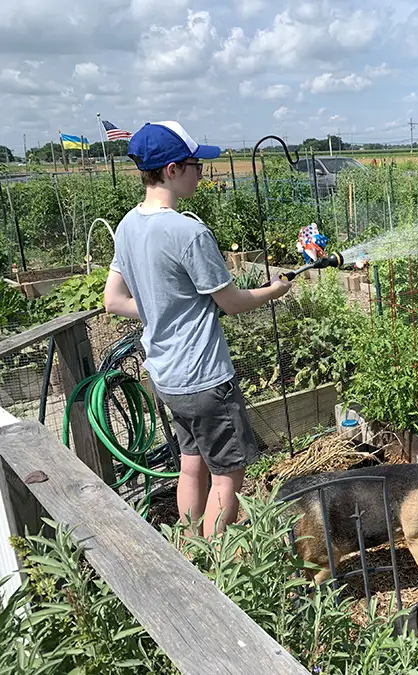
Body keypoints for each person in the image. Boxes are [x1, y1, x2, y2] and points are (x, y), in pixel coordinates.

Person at [103, 120, 291, 538]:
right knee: (229, 474)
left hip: (167, 377)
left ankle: (188, 546)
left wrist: (161, 309)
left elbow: (113, 301)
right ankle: (212, 564)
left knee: (191, 463)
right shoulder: (188, 231)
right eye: (196, 165)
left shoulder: (128, 226)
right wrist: (273, 290)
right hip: (205, 378)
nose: (202, 173)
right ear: (172, 170)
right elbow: (232, 303)